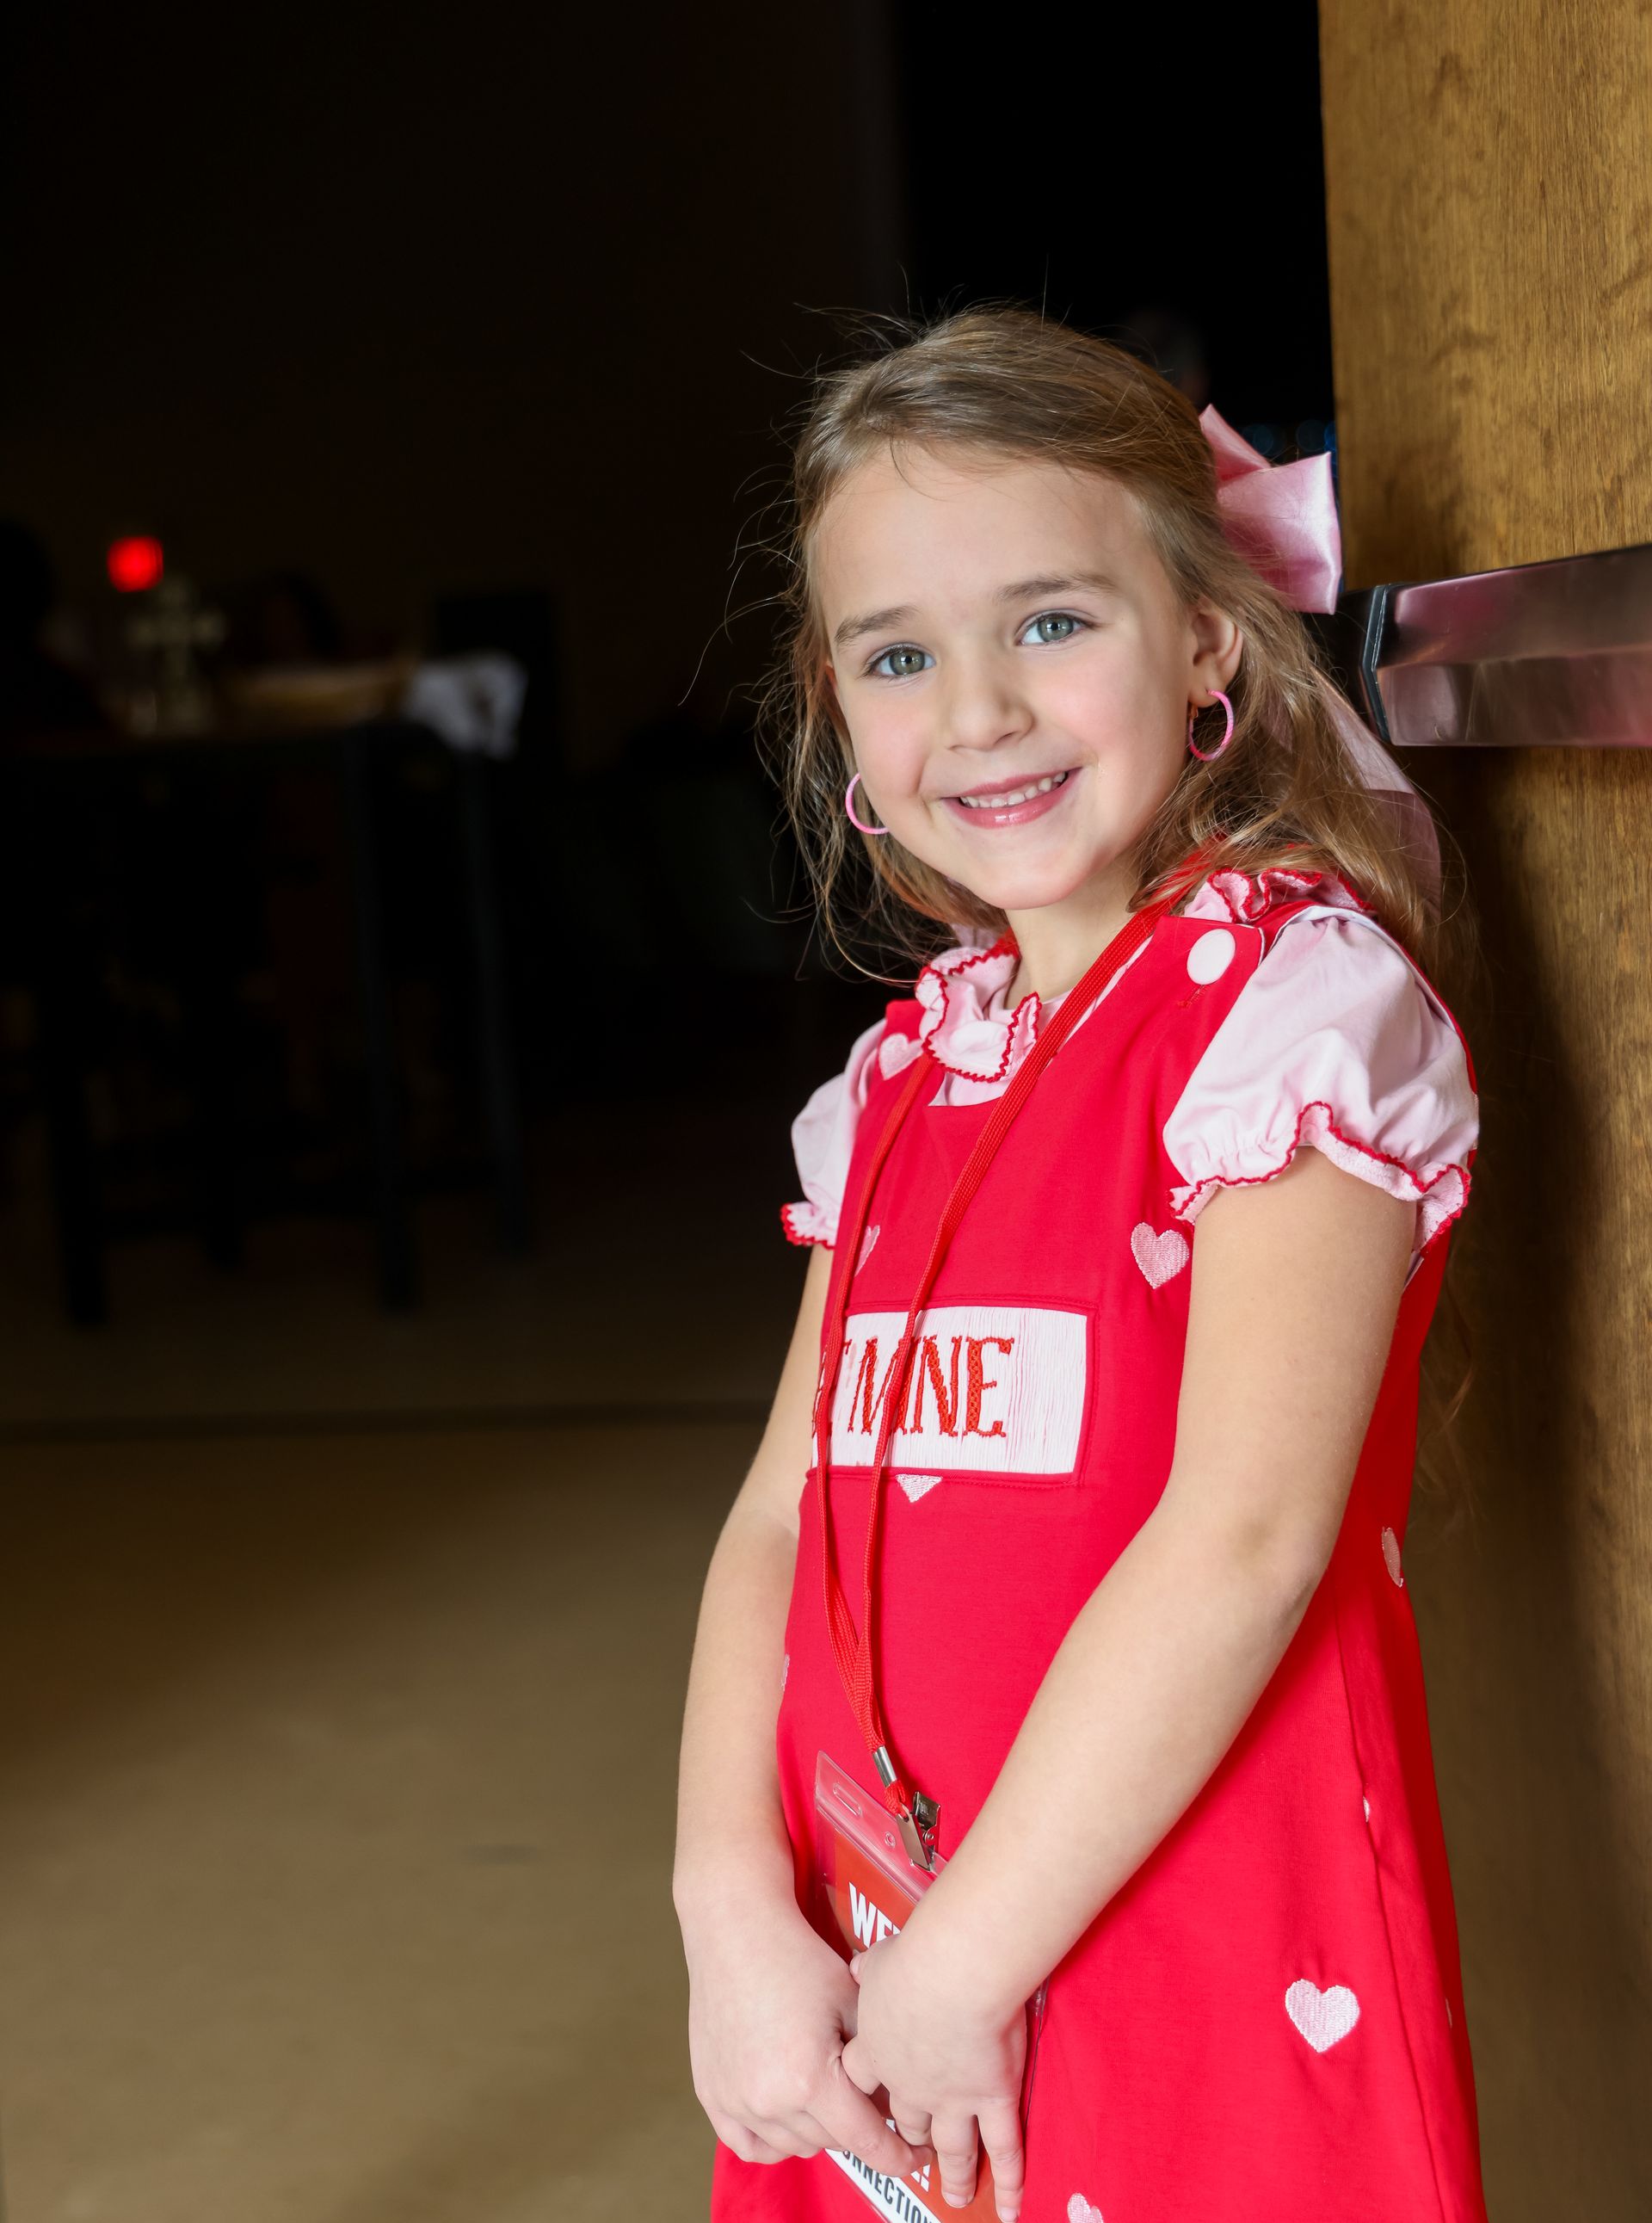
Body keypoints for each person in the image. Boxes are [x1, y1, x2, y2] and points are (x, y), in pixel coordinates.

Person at [673, 308, 1487, 2223]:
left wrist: (966, 1967)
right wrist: (728, 1901)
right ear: (839, 709)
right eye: (900, 653)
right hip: (866, 1933)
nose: (978, 710)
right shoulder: (894, 1077)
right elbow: (782, 1514)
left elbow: (1245, 1536)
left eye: (1051, 620)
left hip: (1167, 1928)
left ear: (1204, 635)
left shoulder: (1289, 1012)